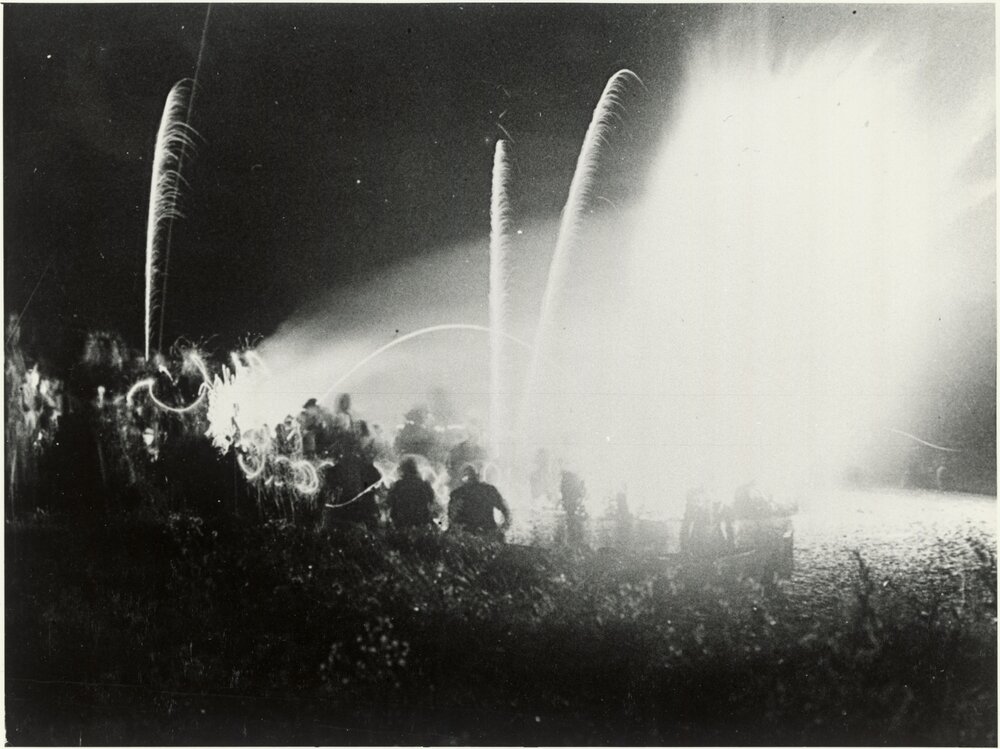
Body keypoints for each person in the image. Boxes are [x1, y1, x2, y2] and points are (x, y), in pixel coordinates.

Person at [448, 464, 511, 540]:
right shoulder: (489, 490)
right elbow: (506, 511)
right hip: (486, 536)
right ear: (477, 476)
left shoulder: (457, 494)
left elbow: (451, 519)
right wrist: (502, 530)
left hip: (467, 538)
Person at [386, 457, 436, 529]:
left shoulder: (397, 485)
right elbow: (431, 500)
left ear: (402, 470)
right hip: (421, 520)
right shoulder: (424, 484)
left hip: (401, 521)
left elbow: (389, 502)